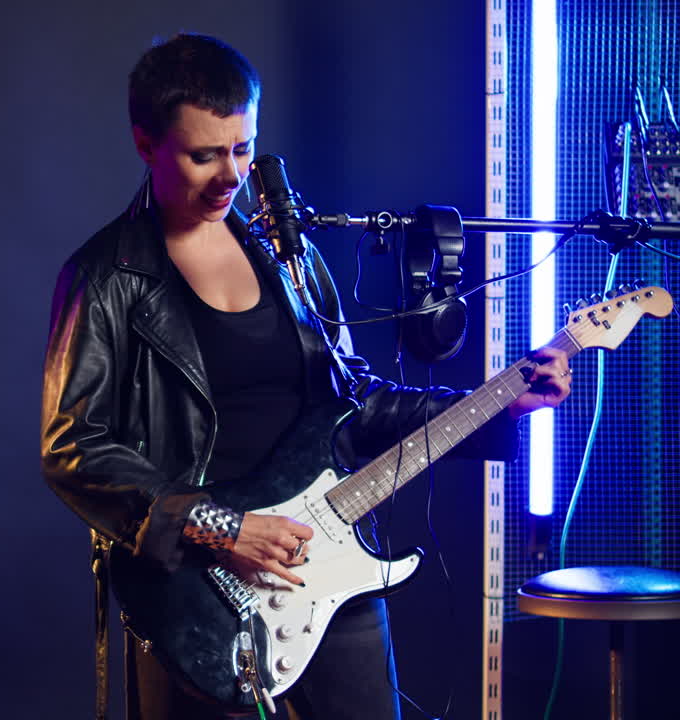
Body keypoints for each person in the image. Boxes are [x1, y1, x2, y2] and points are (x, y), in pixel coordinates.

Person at [39, 33, 572, 720]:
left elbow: (357, 403)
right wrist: (223, 529)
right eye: (205, 155)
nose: (231, 175)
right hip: (196, 592)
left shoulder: (290, 259)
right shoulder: (106, 277)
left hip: (327, 560)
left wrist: (502, 404)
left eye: (243, 148)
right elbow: (73, 448)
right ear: (146, 144)